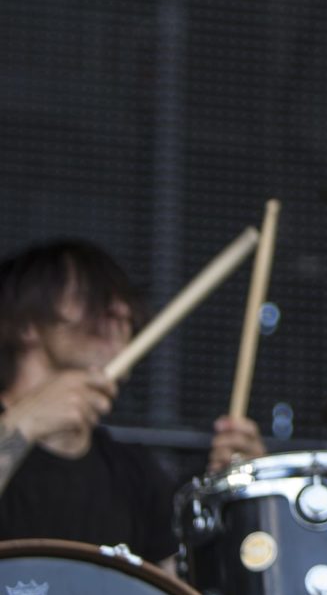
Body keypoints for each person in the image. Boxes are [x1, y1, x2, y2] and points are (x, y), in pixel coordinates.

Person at [0, 239, 265, 567]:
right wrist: (21, 426)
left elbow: (172, 594)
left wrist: (240, 500)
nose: (121, 311)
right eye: (94, 297)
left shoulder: (133, 474)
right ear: (26, 323)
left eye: (124, 302)